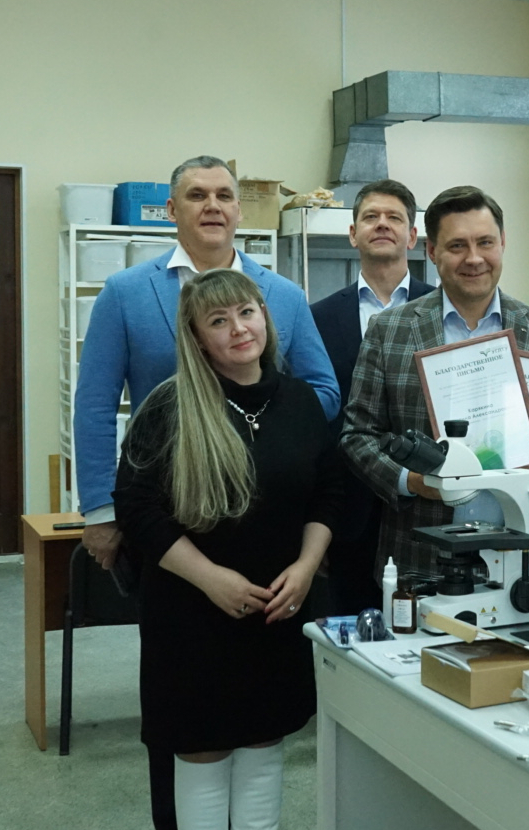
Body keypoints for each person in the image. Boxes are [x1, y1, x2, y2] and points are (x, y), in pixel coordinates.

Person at [72, 154, 338, 830]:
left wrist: (279, 438)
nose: (213, 206)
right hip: (179, 535)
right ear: (172, 210)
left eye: (224, 194)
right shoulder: (126, 292)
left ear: (240, 208)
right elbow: (95, 404)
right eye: (196, 195)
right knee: (190, 730)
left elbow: (321, 393)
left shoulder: (280, 293)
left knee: (261, 737)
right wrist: (99, 510)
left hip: (271, 551)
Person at [114, 268, 341, 830]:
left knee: (264, 751)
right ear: (196, 339)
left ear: (265, 318)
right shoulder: (169, 408)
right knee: (203, 757)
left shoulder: (301, 401)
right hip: (190, 616)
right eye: (218, 320)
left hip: (276, 612)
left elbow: (329, 494)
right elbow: (137, 510)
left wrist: (307, 566)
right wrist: (211, 579)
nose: (239, 329)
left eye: (246, 312)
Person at [340, 185, 529, 577]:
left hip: (525, 553)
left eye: (485, 242)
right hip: (422, 559)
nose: (474, 258)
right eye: (457, 245)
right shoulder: (389, 330)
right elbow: (357, 434)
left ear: (503, 243)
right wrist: (410, 481)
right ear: (432, 251)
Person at [310, 179, 432, 614]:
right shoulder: (319, 318)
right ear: (352, 233)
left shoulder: (443, 310)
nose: (382, 225)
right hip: (347, 508)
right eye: (371, 217)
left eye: (394, 218)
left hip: (427, 504)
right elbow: (313, 422)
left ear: (412, 237)